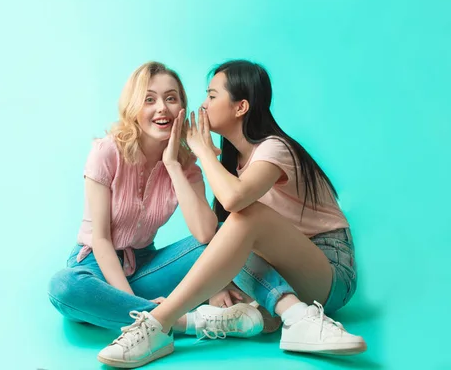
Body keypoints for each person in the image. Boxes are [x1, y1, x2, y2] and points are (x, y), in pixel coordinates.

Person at [98, 60, 367, 368]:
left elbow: (236, 201)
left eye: (212, 96)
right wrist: (222, 285)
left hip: (329, 273)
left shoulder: (274, 148)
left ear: (240, 107)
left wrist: (200, 149)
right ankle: (266, 317)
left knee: (247, 216)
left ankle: (156, 324)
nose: (202, 104)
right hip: (284, 277)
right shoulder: (234, 162)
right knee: (225, 236)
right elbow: (214, 236)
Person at [47, 61, 271, 337]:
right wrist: (133, 302)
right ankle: (185, 322)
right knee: (64, 286)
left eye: (171, 98)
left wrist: (174, 165)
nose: (162, 108)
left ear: (181, 108)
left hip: (148, 268)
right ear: (134, 108)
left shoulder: (186, 165)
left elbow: (205, 234)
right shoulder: (107, 152)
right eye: (149, 99)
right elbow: (102, 240)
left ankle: (287, 308)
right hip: (96, 268)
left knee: (228, 236)